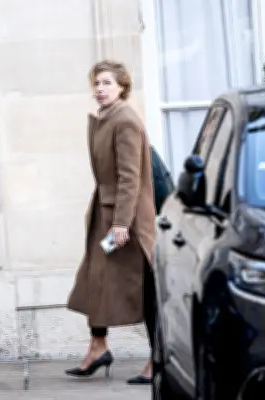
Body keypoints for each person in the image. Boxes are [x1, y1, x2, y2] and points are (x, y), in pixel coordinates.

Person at [65, 60, 157, 385]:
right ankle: (97, 347)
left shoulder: (125, 121)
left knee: (144, 289)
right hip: (105, 213)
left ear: (122, 87)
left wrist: (121, 223)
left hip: (125, 218)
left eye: (106, 83)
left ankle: (157, 358)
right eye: (96, 83)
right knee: (95, 280)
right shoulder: (107, 118)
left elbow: (130, 178)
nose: (99, 89)